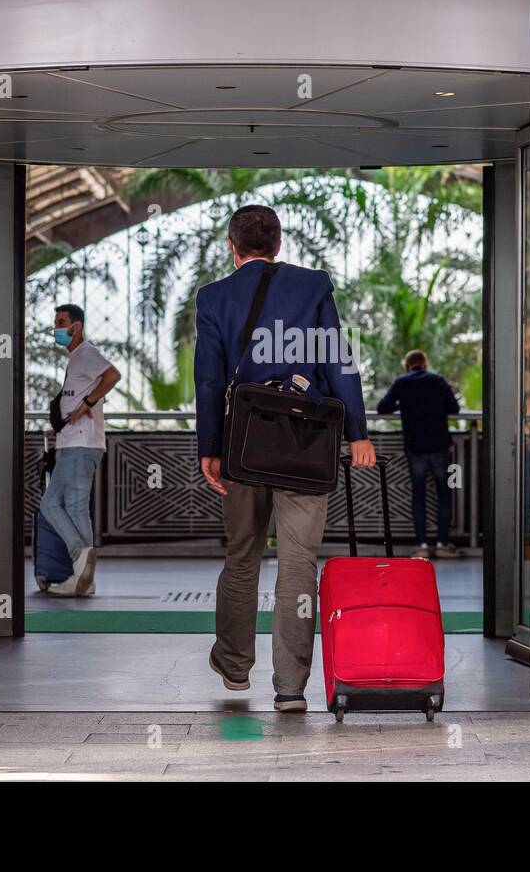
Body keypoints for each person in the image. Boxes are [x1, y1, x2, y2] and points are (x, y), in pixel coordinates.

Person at [195, 205, 375, 713]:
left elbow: (208, 380)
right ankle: (291, 688)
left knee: (242, 555)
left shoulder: (214, 297)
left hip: (242, 443)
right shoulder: (313, 285)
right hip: (305, 443)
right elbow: (339, 359)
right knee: (298, 563)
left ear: (233, 247)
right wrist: (357, 433)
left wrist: (209, 447)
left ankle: (233, 665)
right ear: (278, 244)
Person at [39, 303, 120, 596]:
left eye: (62, 322)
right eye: (56, 322)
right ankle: (84, 574)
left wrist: (86, 404)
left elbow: (113, 375)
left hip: (80, 445)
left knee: (71, 506)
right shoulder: (76, 359)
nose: (57, 328)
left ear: (77, 325)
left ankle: (81, 561)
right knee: (52, 505)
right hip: (71, 442)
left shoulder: (86, 353)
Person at [376, 350, 461, 557]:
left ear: (407, 365)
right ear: (424, 363)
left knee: (418, 495)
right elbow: (454, 408)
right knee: (445, 494)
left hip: (415, 448)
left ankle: (421, 545)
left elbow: (382, 408)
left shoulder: (401, 383)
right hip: (440, 446)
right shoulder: (438, 380)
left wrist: (403, 404)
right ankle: (442, 543)